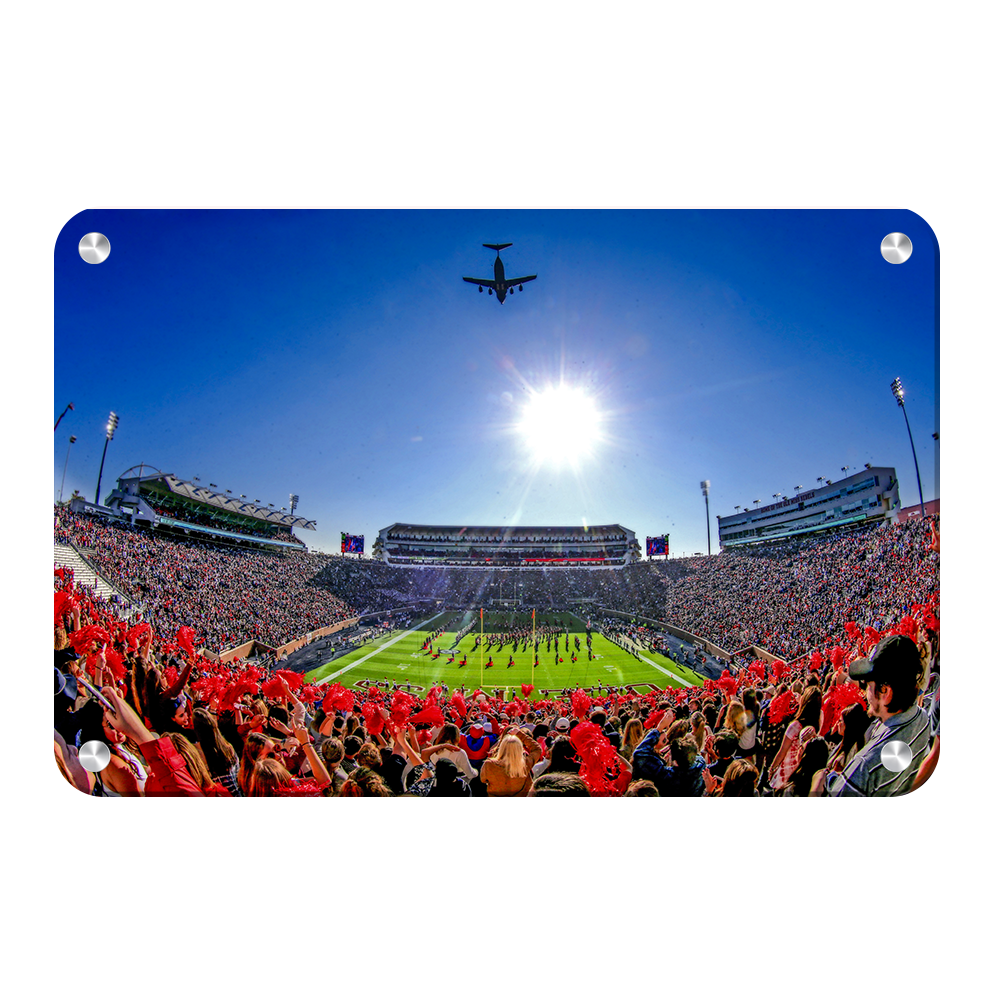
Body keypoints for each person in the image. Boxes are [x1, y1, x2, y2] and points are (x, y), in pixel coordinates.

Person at [825, 636, 931, 796]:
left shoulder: (863, 767)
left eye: (868, 685)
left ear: (885, 692)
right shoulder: (923, 719)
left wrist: (828, 779)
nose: (866, 692)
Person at [480, 729, 541, 796]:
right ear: (520, 748)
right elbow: (537, 749)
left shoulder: (489, 764)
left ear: (502, 747)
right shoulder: (525, 764)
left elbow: (483, 780)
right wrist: (520, 735)